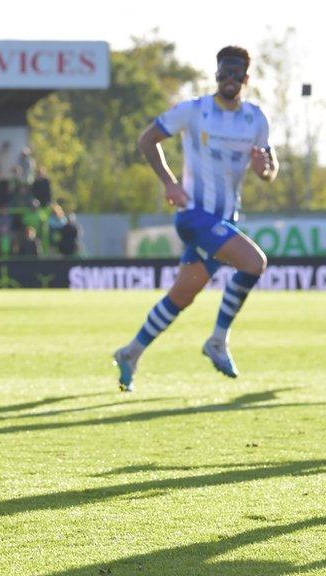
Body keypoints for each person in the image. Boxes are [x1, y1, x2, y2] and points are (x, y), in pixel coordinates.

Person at [113, 46, 277, 392]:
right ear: (216, 74)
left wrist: (267, 170)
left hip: (224, 221)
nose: (229, 79)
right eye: (223, 72)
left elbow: (269, 168)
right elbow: (147, 140)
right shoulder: (194, 111)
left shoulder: (256, 119)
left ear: (246, 78)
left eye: (236, 73)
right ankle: (218, 340)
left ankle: (131, 352)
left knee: (182, 296)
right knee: (253, 262)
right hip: (194, 216)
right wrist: (170, 183)